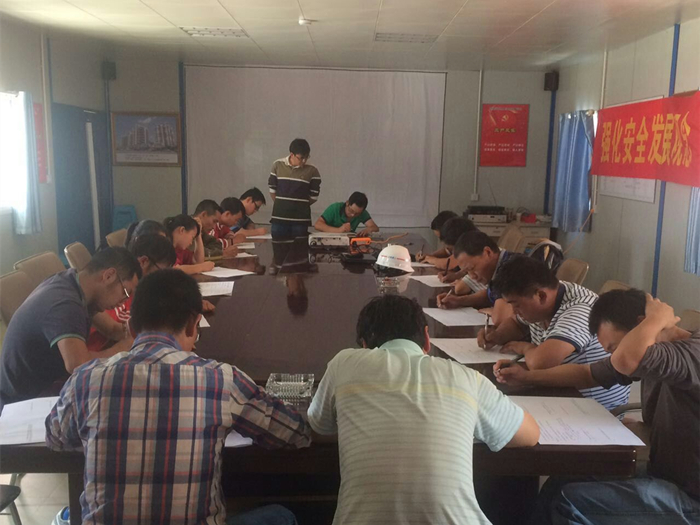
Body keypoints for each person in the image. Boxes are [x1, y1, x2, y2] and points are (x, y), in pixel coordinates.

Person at [46, 269, 311, 525]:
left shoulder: (86, 379)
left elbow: (55, 437)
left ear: (131, 327)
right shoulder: (221, 380)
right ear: (194, 325)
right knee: (281, 516)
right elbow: (295, 432)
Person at [307, 294, 540, 525]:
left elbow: (319, 425)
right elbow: (529, 435)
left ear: (365, 347)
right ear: (427, 339)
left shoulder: (344, 364)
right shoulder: (465, 379)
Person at [494, 289, 700, 525]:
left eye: (614, 347)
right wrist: (526, 377)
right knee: (561, 481)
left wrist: (656, 318)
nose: (613, 356)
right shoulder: (650, 353)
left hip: (691, 496)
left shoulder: (689, 353)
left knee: (569, 503)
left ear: (642, 325)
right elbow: (587, 373)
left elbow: (625, 359)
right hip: (664, 473)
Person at [0, 248, 141, 408]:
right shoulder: (65, 303)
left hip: (43, 385)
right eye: (125, 292)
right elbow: (79, 365)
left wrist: (142, 331)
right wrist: (122, 348)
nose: (124, 301)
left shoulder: (74, 283)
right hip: (23, 403)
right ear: (108, 276)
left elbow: (112, 330)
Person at [487, 256, 630, 410]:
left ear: (541, 296)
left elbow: (540, 363)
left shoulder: (580, 309)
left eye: (516, 305)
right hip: (559, 391)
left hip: (591, 405)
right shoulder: (542, 299)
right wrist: (496, 335)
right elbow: (516, 323)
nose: (514, 311)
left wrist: (525, 348)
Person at [87, 234, 177, 353]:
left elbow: (115, 329)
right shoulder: (106, 295)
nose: (162, 279)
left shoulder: (122, 288)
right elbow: (113, 332)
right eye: (161, 271)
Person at [437, 230, 515, 327]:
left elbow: (499, 319)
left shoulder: (510, 268)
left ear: (487, 252)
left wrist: (495, 311)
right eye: (467, 272)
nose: (472, 276)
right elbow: (489, 295)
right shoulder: (498, 266)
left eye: (472, 268)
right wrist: (458, 301)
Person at [268, 138, 321, 237]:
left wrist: (299, 204)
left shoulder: (312, 170)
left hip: (300, 220)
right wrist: (283, 203)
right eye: (301, 158)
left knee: (299, 245)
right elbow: (272, 190)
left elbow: (314, 196)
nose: (304, 161)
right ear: (292, 154)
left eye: (306, 157)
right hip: (279, 217)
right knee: (278, 244)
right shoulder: (277, 165)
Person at [314, 192, 379, 236]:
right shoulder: (335, 208)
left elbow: (375, 227)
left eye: (357, 214)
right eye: (351, 211)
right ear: (347, 203)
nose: (353, 215)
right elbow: (318, 225)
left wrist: (368, 229)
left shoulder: (362, 213)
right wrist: (339, 230)